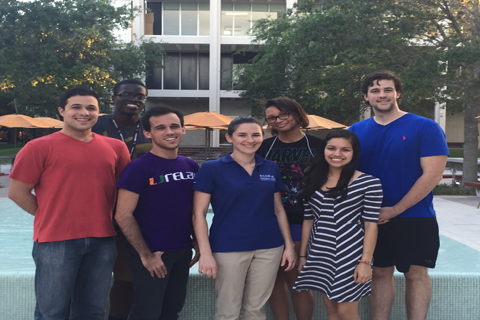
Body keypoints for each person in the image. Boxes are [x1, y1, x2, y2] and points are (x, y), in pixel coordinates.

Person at [8, 88, 131, 320]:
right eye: (76, 107)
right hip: (55, 241)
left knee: (93, 311)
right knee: (51, 312)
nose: (84, 112)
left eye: (91, 108)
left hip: (103, 240)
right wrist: (51, 215)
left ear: (98, 113)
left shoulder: (116, 148)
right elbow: (17, 192)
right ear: (62, 111)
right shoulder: (38, 147)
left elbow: (123, 191)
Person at [349, 70, 449, 320]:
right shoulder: (355, 131)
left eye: (387, 89)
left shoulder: (425, 127)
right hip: (370, 220)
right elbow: (346, 173)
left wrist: (395, 209)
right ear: (366, 97)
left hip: (415, 217)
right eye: (375, 90)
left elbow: (432, 175)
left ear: (398, 93)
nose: (381, 95)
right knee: (380, 273)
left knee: (416, 274)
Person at [193, 116, 297, 320]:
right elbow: (199, 214)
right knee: (228, 310)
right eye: (242, 135)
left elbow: (278, 209)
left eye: (255, 134)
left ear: (262, 137)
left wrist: (289, 246)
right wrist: (205, 253)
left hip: (269, 247)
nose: (250, 140)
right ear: (229, 137)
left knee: (256, 309)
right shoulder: (211, 168)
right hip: (228, 247)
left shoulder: (270, 167)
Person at [115, 105, 200, 320]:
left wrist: (198, 243)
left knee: (172, 309)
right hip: (153, 253)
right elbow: (123, 214)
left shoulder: (191, 167)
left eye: (174, 126)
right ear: (148, 133)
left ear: (183, 129)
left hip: (182, 251)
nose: (169, 132)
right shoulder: (138, 168)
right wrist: (146, 255)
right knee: (147, 312)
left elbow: (192, 210)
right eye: (160, 128)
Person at [293, 130, 382, 320]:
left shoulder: (369, 183)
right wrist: (303, 256)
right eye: (331, 148)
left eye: (345, 150)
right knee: (331, 310)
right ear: (324, 150)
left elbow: (371, 225)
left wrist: (365, 262)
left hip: (351, 254)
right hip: (320, 251)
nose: (337, 154)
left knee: (346, 312)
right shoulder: (312, 179)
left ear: (354, 153)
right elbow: (308, 220)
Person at [256, 97, 323, 320]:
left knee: (299, 280)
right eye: (272, 117)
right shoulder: (264, 147)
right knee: (273, 280)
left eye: (284, 114)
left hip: (304, 220)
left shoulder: (318, 146)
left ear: (297, 113)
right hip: (270, 221)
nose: (278, 120)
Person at [92, 78, 152, 320]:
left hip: (137, 214)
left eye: (139, 97)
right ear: (113, 97)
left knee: (127, 279)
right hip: (98, 212)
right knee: (90, 275)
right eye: (126, 95)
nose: (133, 100)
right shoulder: (95, 124)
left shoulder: (150, 127)